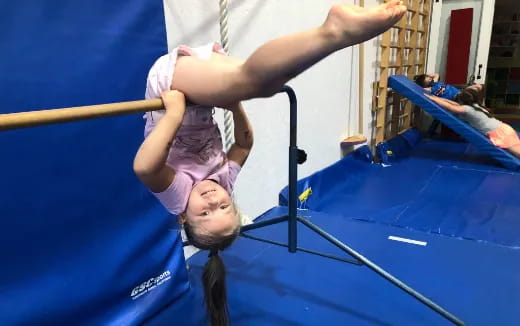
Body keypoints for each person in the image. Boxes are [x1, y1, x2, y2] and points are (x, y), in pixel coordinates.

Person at [134, 2, 407, 326]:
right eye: (224, 208)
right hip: (199, 101)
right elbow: (245, 143)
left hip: (170, 90)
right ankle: (333, 33)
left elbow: (145, 168)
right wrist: (234, 105)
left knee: (253, 82)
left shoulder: (179, 196)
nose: (213, 202)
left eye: (205, 213)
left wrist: (175, 114)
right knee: (254, 83)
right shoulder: (222, 184)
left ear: (183, 217)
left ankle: (334, 32)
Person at [425, 88, 520, 158]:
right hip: (503, 127)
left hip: (498, 133)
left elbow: (451, 107)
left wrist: (435, 99)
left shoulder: (467, 109)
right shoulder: (476, 106)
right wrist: (439, 99)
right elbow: (454, 104)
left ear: (462, 101)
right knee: (517, 148)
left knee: (516, 151)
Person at [413, 72, 484, 101]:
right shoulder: (430, 89)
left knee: (478, 86)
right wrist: (418, 82)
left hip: (459, 92)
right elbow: (421, 89)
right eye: (427, 79)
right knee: (475, 89)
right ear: (425, 84)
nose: (429, 79)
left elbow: (436, 74)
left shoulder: (435, 82)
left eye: (429, 77)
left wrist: (427, 75)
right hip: (455, 98)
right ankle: (476, 95)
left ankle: (476, 92)